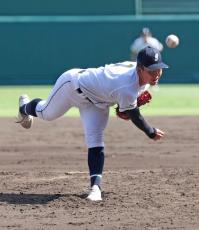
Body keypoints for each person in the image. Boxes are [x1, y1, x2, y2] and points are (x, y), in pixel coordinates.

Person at [16, 46, 169, 201]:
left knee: (95, 139)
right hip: (71, 86)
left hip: (98, 103)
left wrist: (126, 106)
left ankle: (95, 188)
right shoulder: (126, 88)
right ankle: (24, 108)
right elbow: (135, 116)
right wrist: (150, 131)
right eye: (151, 71)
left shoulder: (139, 75)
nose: (156, 74)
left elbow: (126, 102)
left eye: (159, 69)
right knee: (46, 113)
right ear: (140, 69)